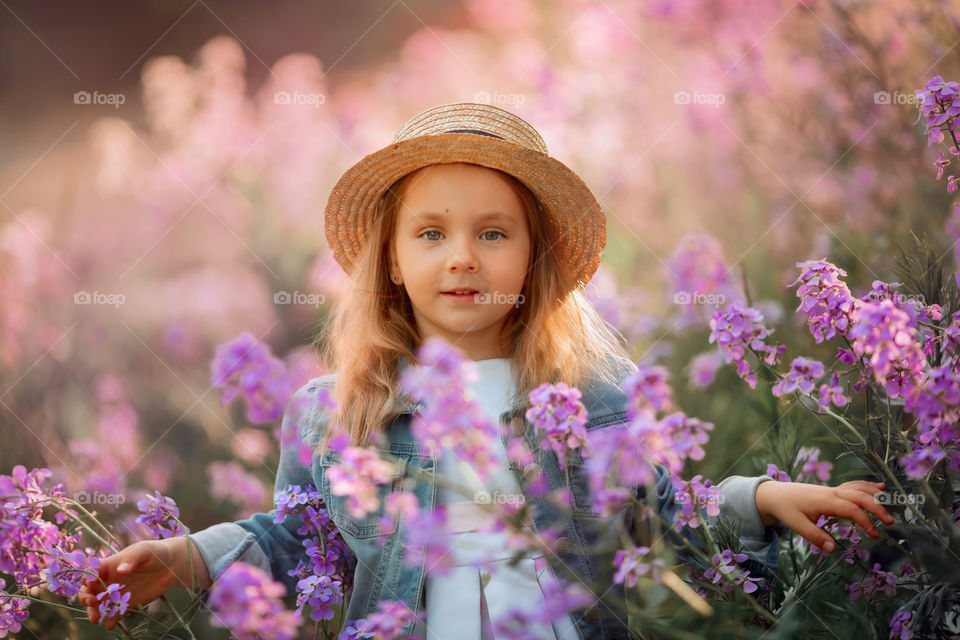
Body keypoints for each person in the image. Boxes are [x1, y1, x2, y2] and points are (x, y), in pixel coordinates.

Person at [79, 102, 895, 638]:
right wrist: (188, 557)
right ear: (391, 259)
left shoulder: (593, 396)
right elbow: (300, 542)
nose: (463, 257)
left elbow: (661, 518)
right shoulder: (337, 411)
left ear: (534, 257)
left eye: (494, 233)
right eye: (431, 233)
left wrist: (761, 498)